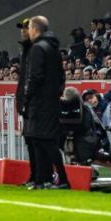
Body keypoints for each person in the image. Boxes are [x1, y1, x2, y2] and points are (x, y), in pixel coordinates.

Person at [23, 16, 69, 189]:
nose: (28, 32)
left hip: (40, 102)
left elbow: (35, 76)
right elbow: (61, 76)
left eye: (30, 28)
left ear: (35, 29)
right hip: (51, 101)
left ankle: (60, 179)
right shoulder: (53, 48)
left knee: (44, 140)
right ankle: (42, 180)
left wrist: (27, 97)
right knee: (40, 140)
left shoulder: (38, 49)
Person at [15, 18, 35, 186]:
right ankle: (36, 175)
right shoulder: (26, 50)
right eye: (22, 28)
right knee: (30, 139)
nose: (23, 30)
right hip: (27, 102)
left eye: (26, 28)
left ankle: (45, 175)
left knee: (39, 140)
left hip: (35, 103)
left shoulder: (36, 49)